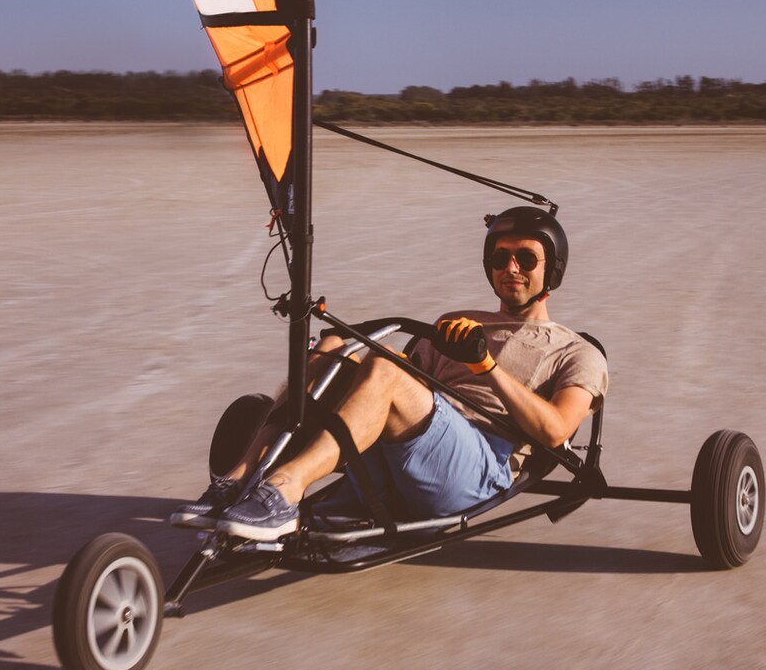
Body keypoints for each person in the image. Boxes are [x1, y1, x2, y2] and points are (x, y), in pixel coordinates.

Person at [190, 207, 609, 542]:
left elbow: (555, 432)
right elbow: (405, 385)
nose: (512, 268)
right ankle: (240, 480)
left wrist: (487, 367)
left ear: (551, 269)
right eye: (501, 257)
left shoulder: (577, 350)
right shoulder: (458, 322)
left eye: (526, 258)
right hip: (408, 450)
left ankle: (284, 489)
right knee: (335, 347)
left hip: (478, 467)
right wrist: (334, 359)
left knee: (386, 369)